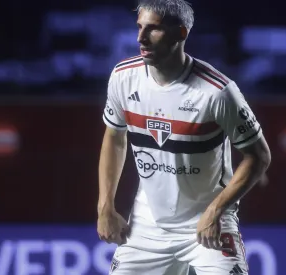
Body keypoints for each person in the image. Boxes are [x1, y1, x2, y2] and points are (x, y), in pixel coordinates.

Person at [97, 0, 271, 274]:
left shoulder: (218, 92)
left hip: (208, 221)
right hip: (147, 225)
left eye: (153, 29)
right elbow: (115, 137)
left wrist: (215, 211)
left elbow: (259, 156)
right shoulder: (123, 77)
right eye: (139, 27)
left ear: (181, 33)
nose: (141, 38)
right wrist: (105, 207)